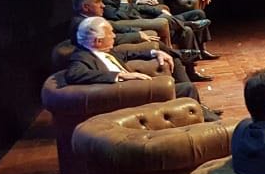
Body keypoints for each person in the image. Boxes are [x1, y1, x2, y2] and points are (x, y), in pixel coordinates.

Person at [64, 16, 214, 117]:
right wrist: (121, 75)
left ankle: (205, 116)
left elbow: (128, 54)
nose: (115, 36)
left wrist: (154, 52)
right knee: (187, 88)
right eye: (110, 34)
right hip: (129, 96)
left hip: (138, 88)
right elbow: (74, 74)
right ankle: (209, 120)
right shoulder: (82, 56)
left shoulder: (105, 51)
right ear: (97, 41)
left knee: (186, 87)